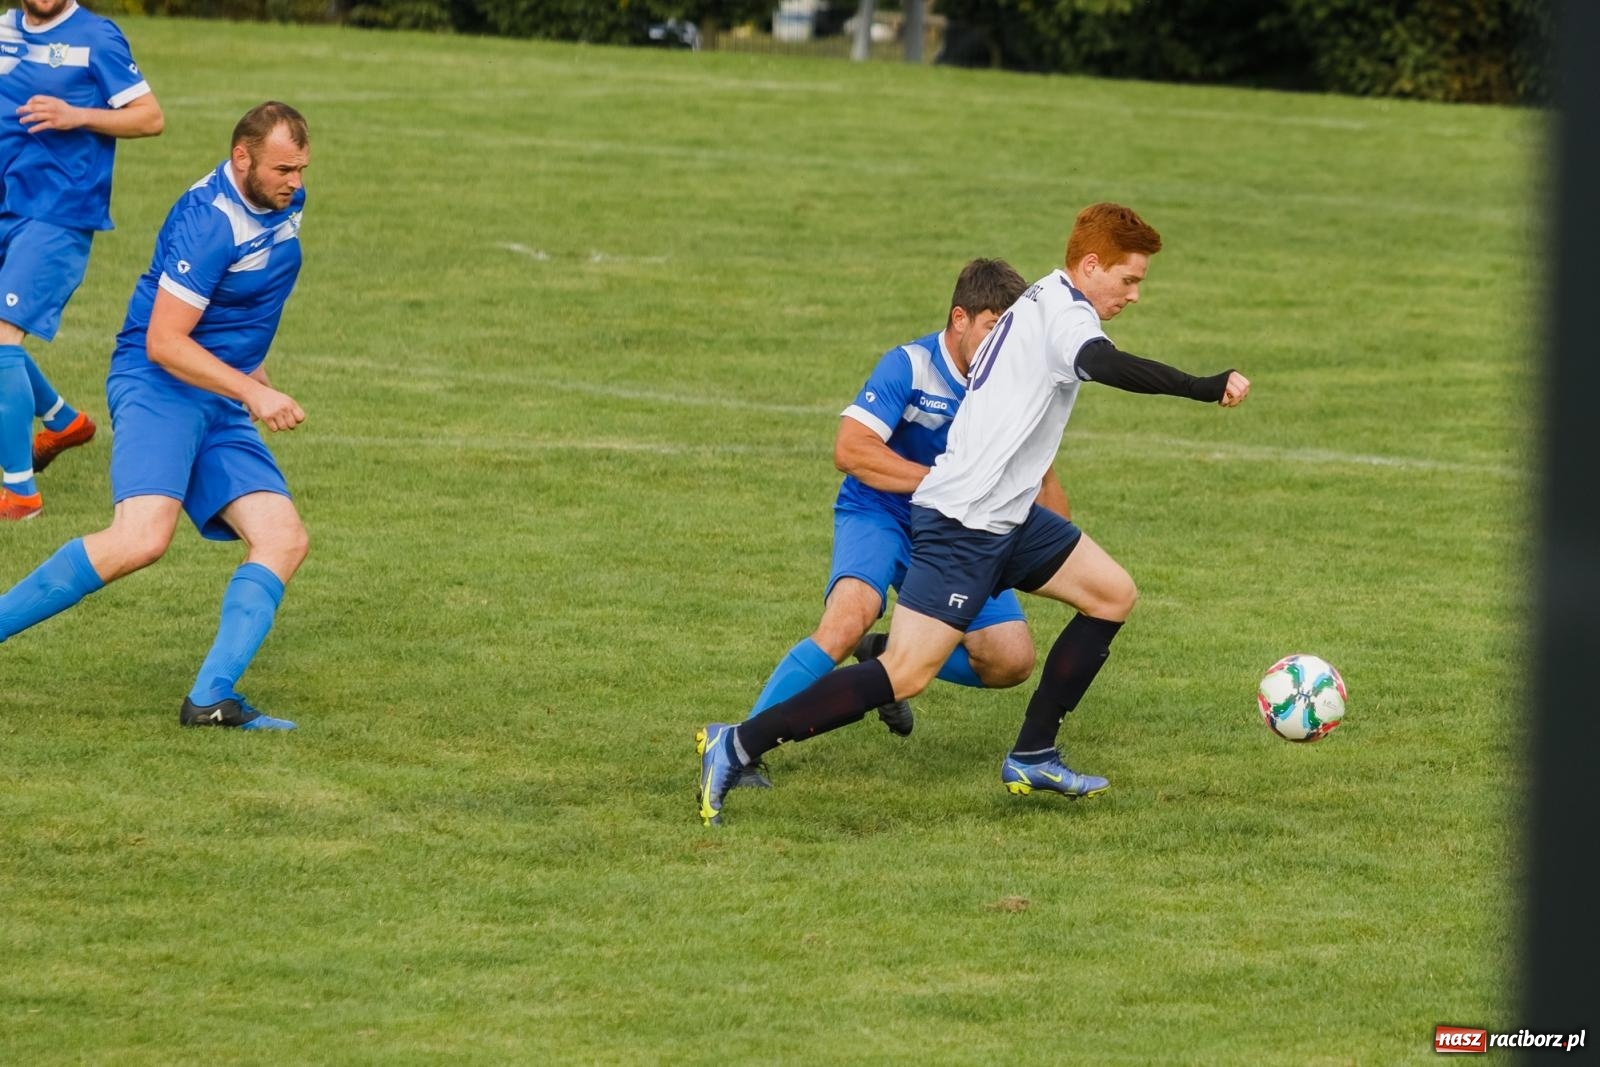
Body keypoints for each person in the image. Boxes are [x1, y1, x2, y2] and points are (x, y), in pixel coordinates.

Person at [698, 203, 1251, 825]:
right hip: (965, 522)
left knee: (1111, 594)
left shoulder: (1041, 297)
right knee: (904, 674)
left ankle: (1033, 754)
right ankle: (738, 743)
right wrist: (1202, 385)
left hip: (1007, 516)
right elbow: (1103, 364)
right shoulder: (1064, 318)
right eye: (1130, 279)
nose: (1135, 294)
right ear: (1091, 266)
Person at [0, 101, 312, 731]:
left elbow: (248, 302)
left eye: (302, 169)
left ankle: (210, 701)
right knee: (141, 539)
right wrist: (253, 394)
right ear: (241, 157)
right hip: (162, 385)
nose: (296, 182)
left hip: (216, 389)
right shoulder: (210, 223)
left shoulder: (278, 200)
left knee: (283, 537)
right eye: (284, 168)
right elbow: (164, 342)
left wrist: (251, 372)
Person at [732, 258, 1071, 789]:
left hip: (960, 528)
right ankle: (740, 747)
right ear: (960, 318)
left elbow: (1044, 484)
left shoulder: (1011, 385)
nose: (1001, 347)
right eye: (991, 329)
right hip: (881, 512)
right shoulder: (910, 367)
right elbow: (851, 449)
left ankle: (887, 658)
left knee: (1010, 660)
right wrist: (940, 482)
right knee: (849, 619)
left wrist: (1049, 542)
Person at [0, 0, 164, 520]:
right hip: (8, 202)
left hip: (58, 212)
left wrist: (78, 116)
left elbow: (150, 117)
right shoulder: (4, 30)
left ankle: (20, 494)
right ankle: (63, 421)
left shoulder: (99, 36)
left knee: (2, 337)